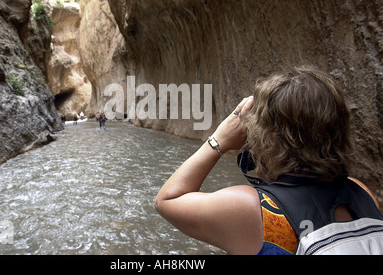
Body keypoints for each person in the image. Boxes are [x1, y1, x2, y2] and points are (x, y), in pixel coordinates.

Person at [155, 65, 382, 255]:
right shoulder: (363, 193)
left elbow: (167, 200)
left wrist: (218, 140)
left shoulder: (255, 210)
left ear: (268, 139)